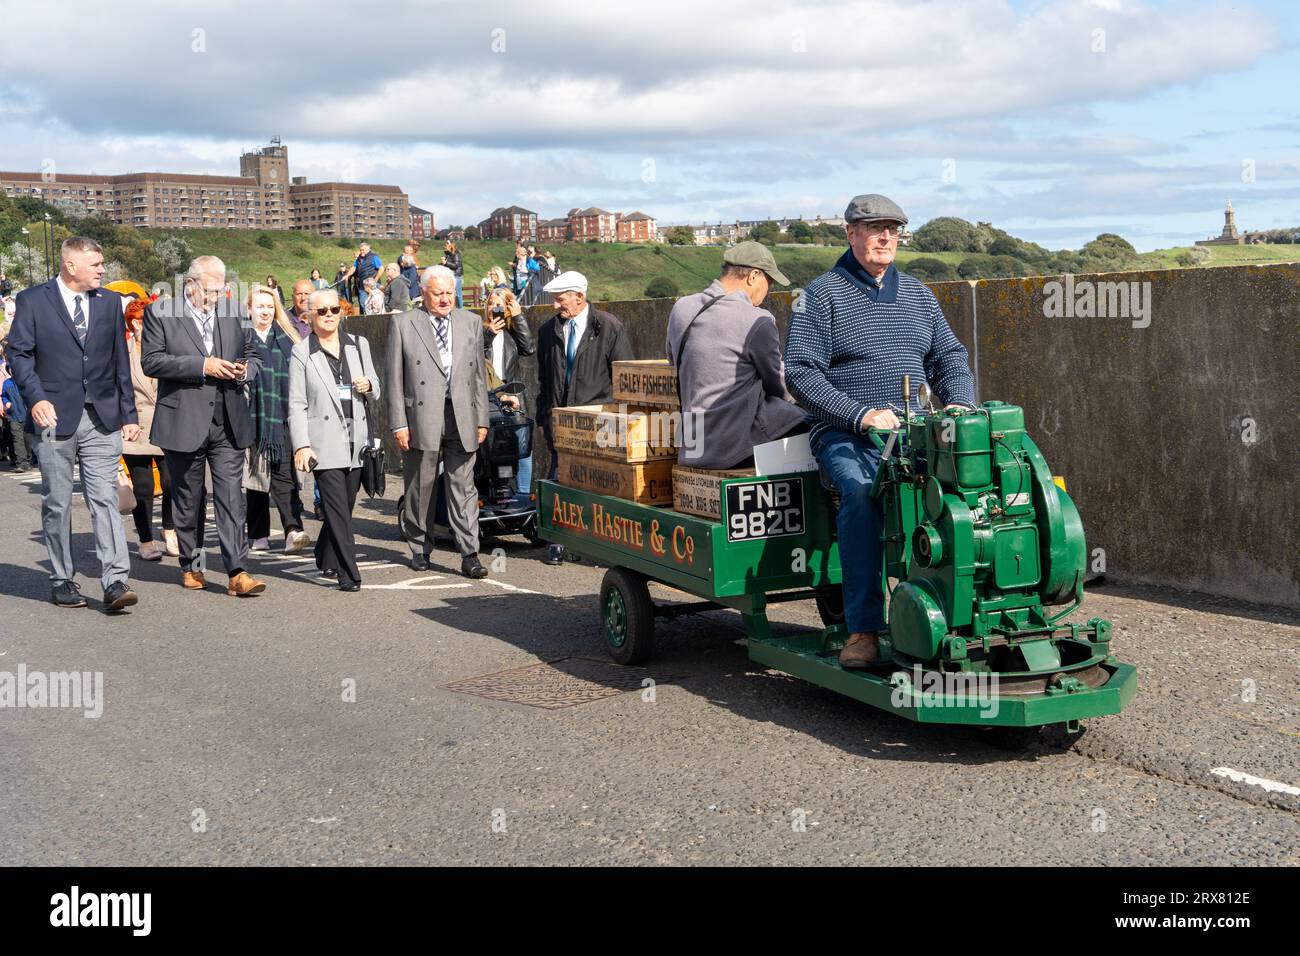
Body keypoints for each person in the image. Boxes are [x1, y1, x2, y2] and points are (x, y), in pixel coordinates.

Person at [785, 193, 975, 669]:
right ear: (850, 233)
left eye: (893, 228)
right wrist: (860, 415)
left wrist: (958, 402)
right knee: (862, 493)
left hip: (917, 429)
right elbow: (802, 374)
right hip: (845, 433)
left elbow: (949, 357)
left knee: (971, 491)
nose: (885, 236)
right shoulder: (822, 293)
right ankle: (864, 629)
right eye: (874, 228)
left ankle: (960, 615)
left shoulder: (917, 294)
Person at [6, 236, 140, 611]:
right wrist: (36, 398)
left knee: (105, 499)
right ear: (71, 265)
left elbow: (119, 361)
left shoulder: (110, 302)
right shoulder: (33, 301)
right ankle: (62, 579)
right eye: (96, 264)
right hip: (52, 418)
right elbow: (19, 355)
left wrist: (128, 413)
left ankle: (115, 581)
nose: (102, 270)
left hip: (102, 417)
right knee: (58, 502)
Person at [142, 254, 268, 598]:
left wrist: (246, 371)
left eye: (222, 289)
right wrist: (203, 365)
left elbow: (254, 355)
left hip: (227, 420)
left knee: (231, 497)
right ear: (190, 285)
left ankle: (237, 570)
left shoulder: (233, 313)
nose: (217, 296)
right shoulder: (161, 312)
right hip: (182, 419)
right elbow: (152, 361)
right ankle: (192, 564)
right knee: (188, 498)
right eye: (211, 290)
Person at [386, 265, 490, 578]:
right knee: (421, 486)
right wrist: (398, 424)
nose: (445, 300)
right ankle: (420, 547)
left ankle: (469, 553)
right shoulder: (403, 323)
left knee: (464, 487)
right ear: (423, 292)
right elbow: (393, 378)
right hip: (420, 415)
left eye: (449, 293)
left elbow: (478, 376)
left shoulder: (471, 321)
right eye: (438, 294)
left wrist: (482, 418)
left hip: (462, 414)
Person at [667, 241, 808, 469]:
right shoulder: (757, 319)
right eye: (768, 281)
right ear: (753, 276)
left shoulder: (681, 308)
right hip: (733, 449)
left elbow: (674, 362)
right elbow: (781, 387)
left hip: (693, 447)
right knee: (817, 425)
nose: (768, 290)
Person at [536, 270, 633, 564]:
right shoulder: (547, 331)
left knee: (600, 483)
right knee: (559, 477)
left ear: (580, 297)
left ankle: (600, 543)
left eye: (561, 299)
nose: (556, 305)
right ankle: (557, 540)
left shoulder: (609, 327)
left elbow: (624, 376)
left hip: (598, 419)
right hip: (559, 419)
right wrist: (543, 417)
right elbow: (544, 378)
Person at [288, 289, 381, 592]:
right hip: (323, 441)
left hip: (357, 440)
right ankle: (348, 572)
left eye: (334, 309)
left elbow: (376, 385)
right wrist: (301, 444)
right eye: (322, 311)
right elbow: (297, 403)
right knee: (338, 510)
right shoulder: (302, 352)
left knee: (346, 505)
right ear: (309, 316)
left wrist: (369, 385)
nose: (329, 315)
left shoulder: (359, 344)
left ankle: (323, 552)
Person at [244, 285, 310, 555]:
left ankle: (292, 530)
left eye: (270, 307)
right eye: (260, 306)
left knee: (285, 476)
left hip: (281, 418)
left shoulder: (288, 339)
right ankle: (258, 534)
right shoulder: (239, 337)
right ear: (249, 309)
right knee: (256, 480)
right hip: (251, 419)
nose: (266, 311)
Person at [122, 297, 185, 561]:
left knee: (173, 481)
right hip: (135, 425)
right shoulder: (121, 352)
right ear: (137, 324)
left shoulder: (166, 348)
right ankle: (146, 539)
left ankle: (169, 529)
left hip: (166, 421)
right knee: (144, 486)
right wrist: (123, 421)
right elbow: (116, 389)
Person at [482, 289, 535, 501]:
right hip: (486, 395)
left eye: (499, 305)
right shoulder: (478, 330)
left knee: (523, 446)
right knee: (488, 446)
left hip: (511, 394)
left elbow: (529, 348)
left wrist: (519, 317)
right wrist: (489, 333)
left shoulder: (513, 334)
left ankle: (522, 494)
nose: (494, 309)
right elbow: (472, 353)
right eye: (490, 304)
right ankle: (489, 493)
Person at [0, 337, 33, 471]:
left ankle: (29, 460)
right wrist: (6, 403)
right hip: (13, 415)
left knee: (27, 440)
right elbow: (3, 396)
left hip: (26, 415)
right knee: (16, 439)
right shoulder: (7, 383)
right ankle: (21, 463)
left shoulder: (25, 382)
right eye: (11, 369)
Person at [441, 240, 464, 307]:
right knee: (451, 293)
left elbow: (456, 265)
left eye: (446, 244)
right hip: (450, 276)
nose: (445, 246)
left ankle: (460, 309)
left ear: (451, 245)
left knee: (457, 294)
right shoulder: (447, 254)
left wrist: (446, 263)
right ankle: (453, 308)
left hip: (456, 275)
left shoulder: (456, 254)